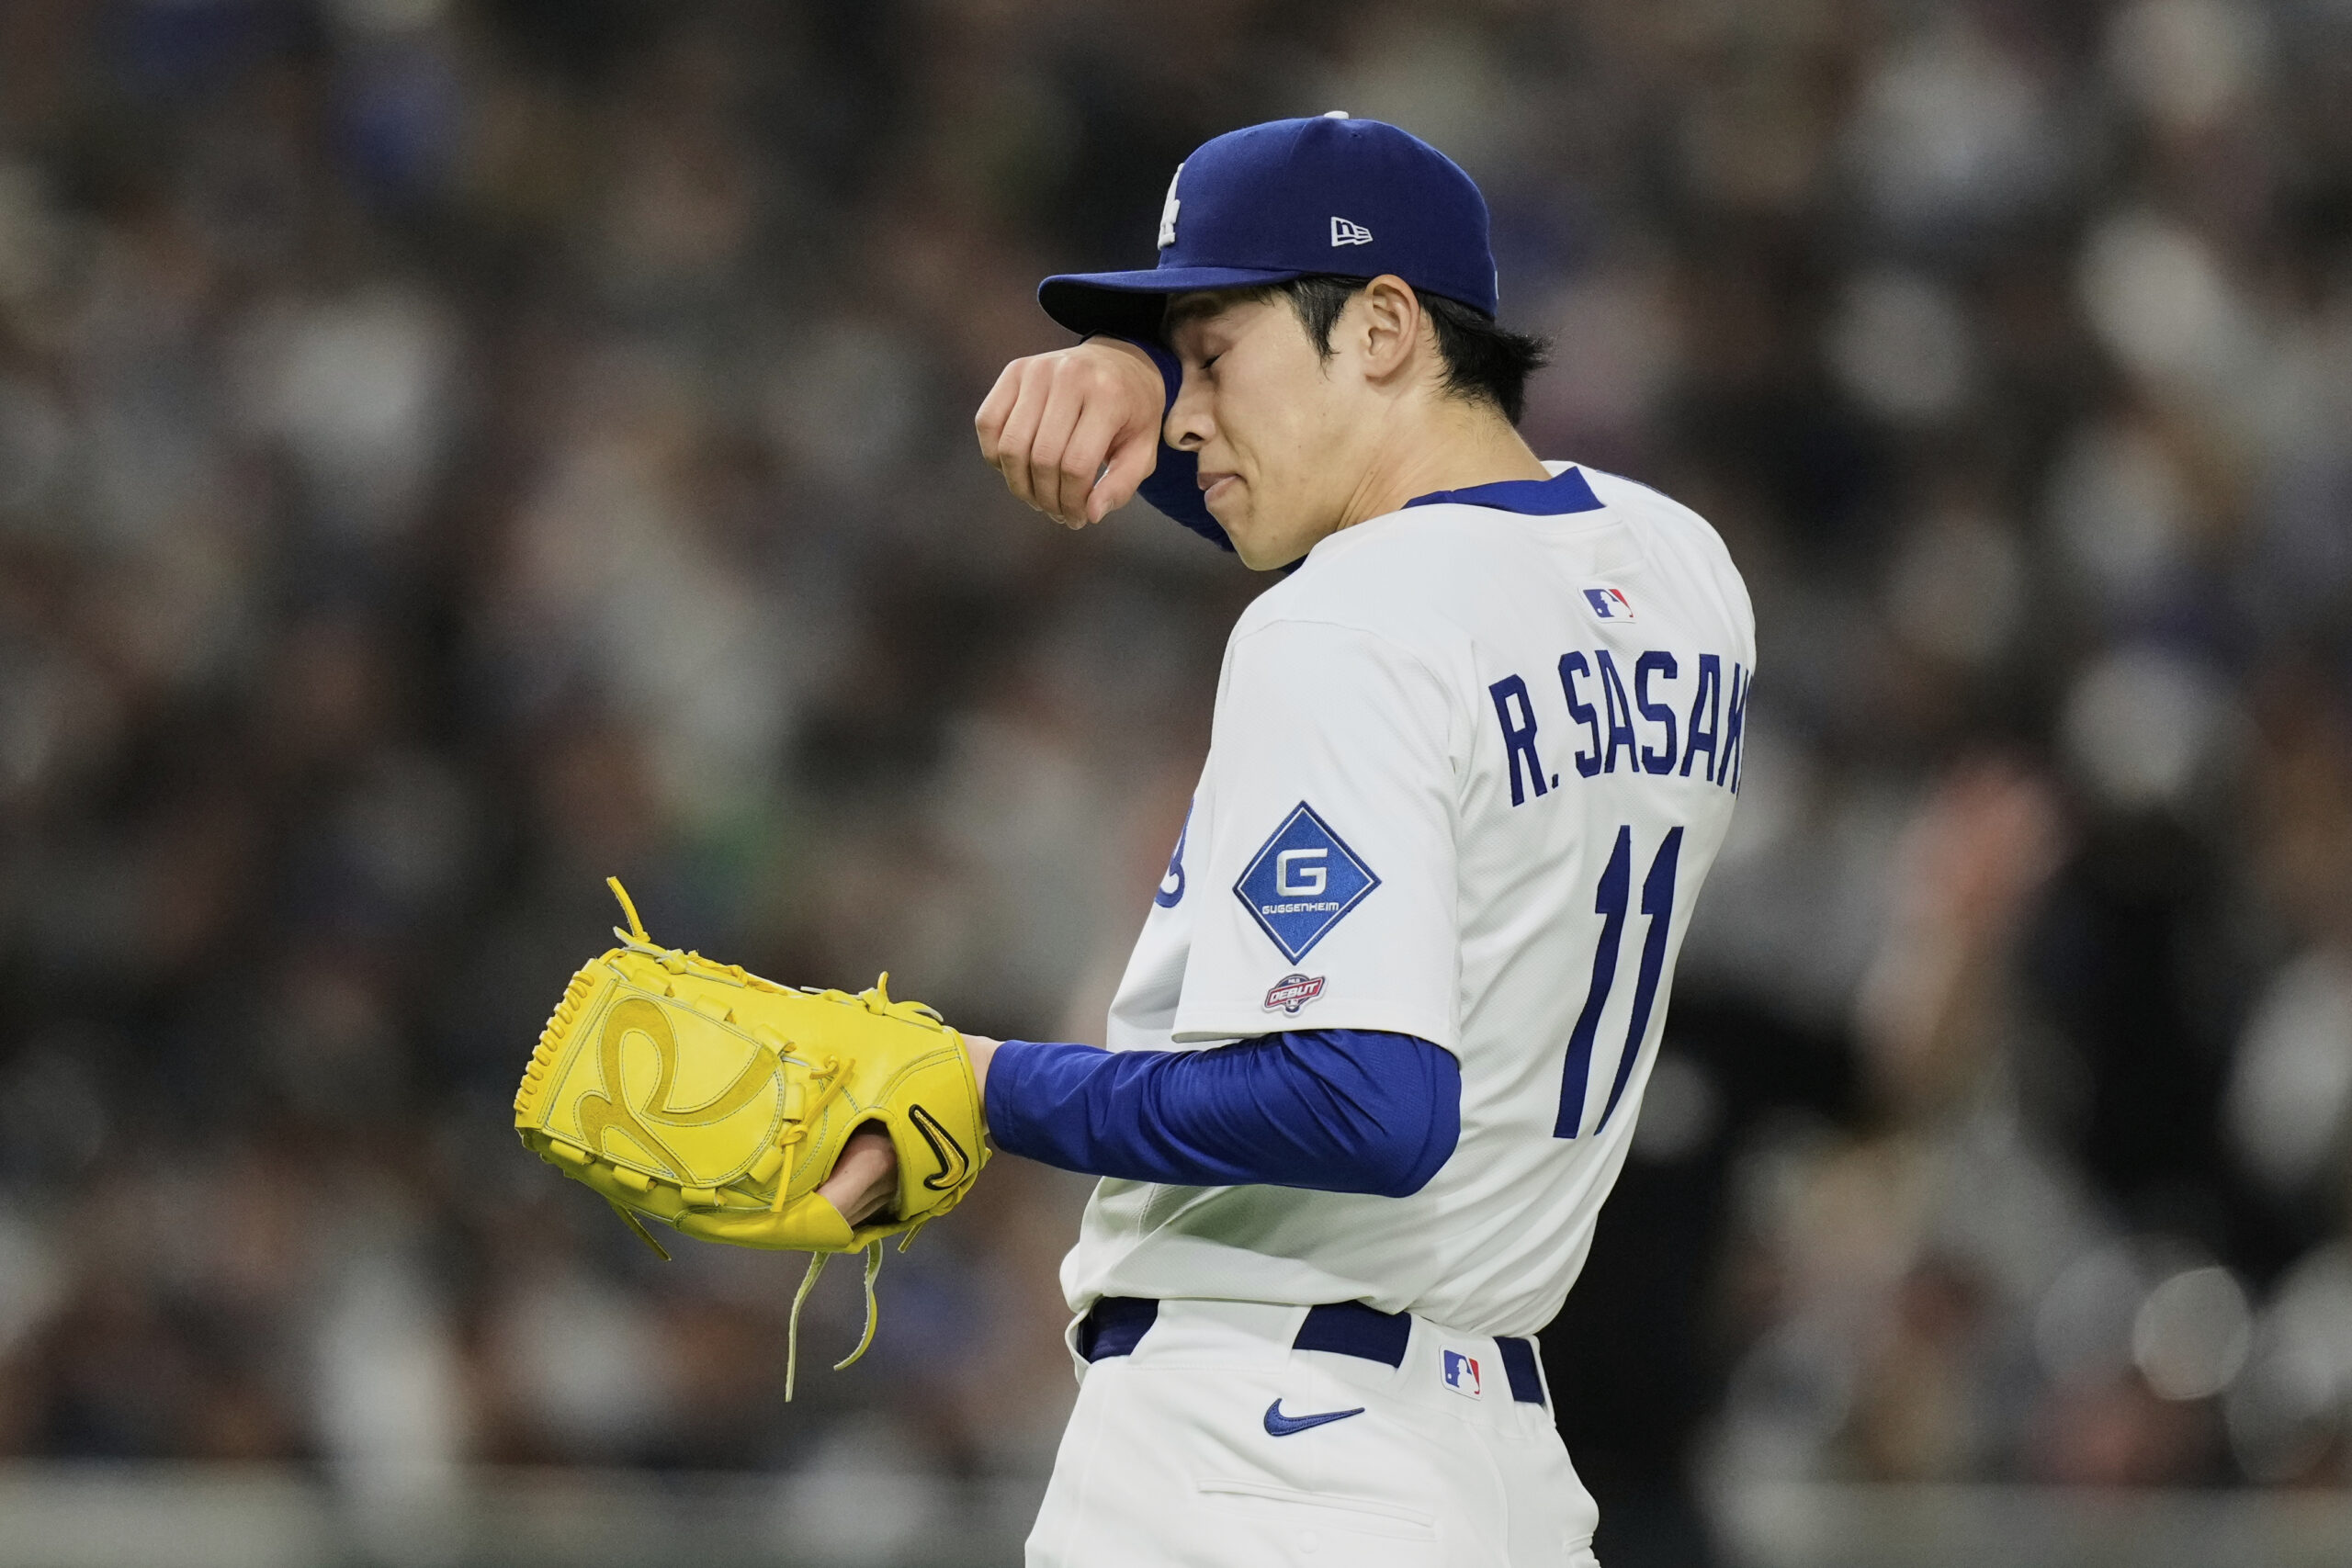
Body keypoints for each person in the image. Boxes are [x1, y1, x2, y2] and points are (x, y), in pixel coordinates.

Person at [834, 114, 1755, 1567]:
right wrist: (1159, 415)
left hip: (1250, 1451)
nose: (1189, 416)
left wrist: (982, 1083)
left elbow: (1366, 1105)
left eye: (1215, 355)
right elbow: (1436, 565)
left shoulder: (1339, 627)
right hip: (1495, 1466)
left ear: (1383, 326)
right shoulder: (1683, 573)